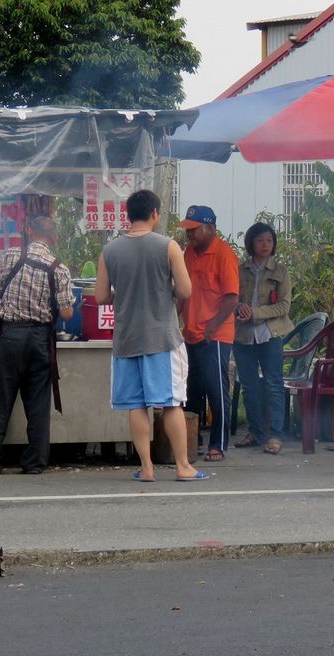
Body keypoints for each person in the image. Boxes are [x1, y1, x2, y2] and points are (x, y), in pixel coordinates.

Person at [95, 189, 206, 482]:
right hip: (161, 338)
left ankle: (146, 468)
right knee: (171, 403)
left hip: (127, 339)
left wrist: (126, 292)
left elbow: (101, 296)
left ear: (128, 216)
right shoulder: (168, 246)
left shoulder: (110, 251)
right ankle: (183, 466)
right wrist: (160, 290)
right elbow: (184, 290)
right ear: (155, 214)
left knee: (135, 404)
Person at [0, 216, 74, 475]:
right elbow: (68, 313)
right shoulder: (59, 268)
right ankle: (35, 463)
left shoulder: (11, 256)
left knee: (0, 400)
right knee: (38, 403)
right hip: (40, 340)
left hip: (10, 336)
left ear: (28, 231)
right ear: (54, 238)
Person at [178, 205, 240, 463]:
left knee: (217, 391)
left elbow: (232, 298)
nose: (189, 235)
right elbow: (182, 291)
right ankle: (194, 439)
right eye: (187, 230)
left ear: (210, 229)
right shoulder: (188, 253)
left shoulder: (224, 254)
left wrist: (212, 327)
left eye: (194, 230)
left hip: (215, 335)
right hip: (190, 332)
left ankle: (219, 444)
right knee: (190, 391)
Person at [232, 222, 293, 455]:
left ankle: (275, 434)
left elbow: (283, 306)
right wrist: (239, 308)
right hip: (243, 336)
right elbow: (230, 298)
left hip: (270, 335)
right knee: (249, 386)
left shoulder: (280, 271)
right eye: (260, 240)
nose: (265, 245)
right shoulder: (240, 270)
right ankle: (256, 432)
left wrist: (255, 313)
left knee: (273, 384)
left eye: (269, 240)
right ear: (251, 243)